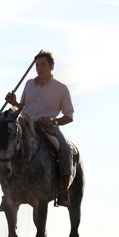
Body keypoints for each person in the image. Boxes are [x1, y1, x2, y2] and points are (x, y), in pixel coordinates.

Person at [5, 51, 74, 207]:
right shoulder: (29, 84)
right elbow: (22, 108)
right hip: (27, 125)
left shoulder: (61, 89)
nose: (39, 68)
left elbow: (69, 116)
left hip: (48, 127)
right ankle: (7, 191)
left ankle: (63, 191)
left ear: (51, 66)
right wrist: (14, 102)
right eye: (37, 65)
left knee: (65, 149)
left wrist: (53, 120)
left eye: (43, 65)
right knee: (6, 144)